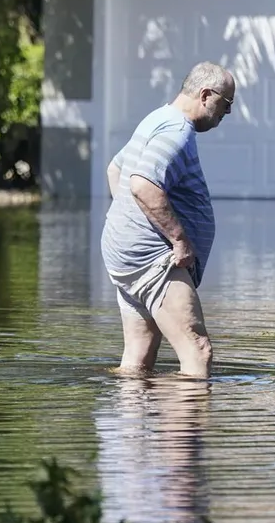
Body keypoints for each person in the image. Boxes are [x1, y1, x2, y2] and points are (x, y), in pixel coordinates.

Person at [100, 62, 235, 379]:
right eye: (226, 104)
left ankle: (130, 428)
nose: (228, 113)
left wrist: (125, 222)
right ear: (205, 95)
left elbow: (115, 169)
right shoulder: (176, 131)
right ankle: (184, 429)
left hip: (128, 253)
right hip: (152, 258)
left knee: (139, 353)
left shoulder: (157, 119)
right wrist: (178, 239)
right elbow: (142, 184)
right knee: (198, 350)